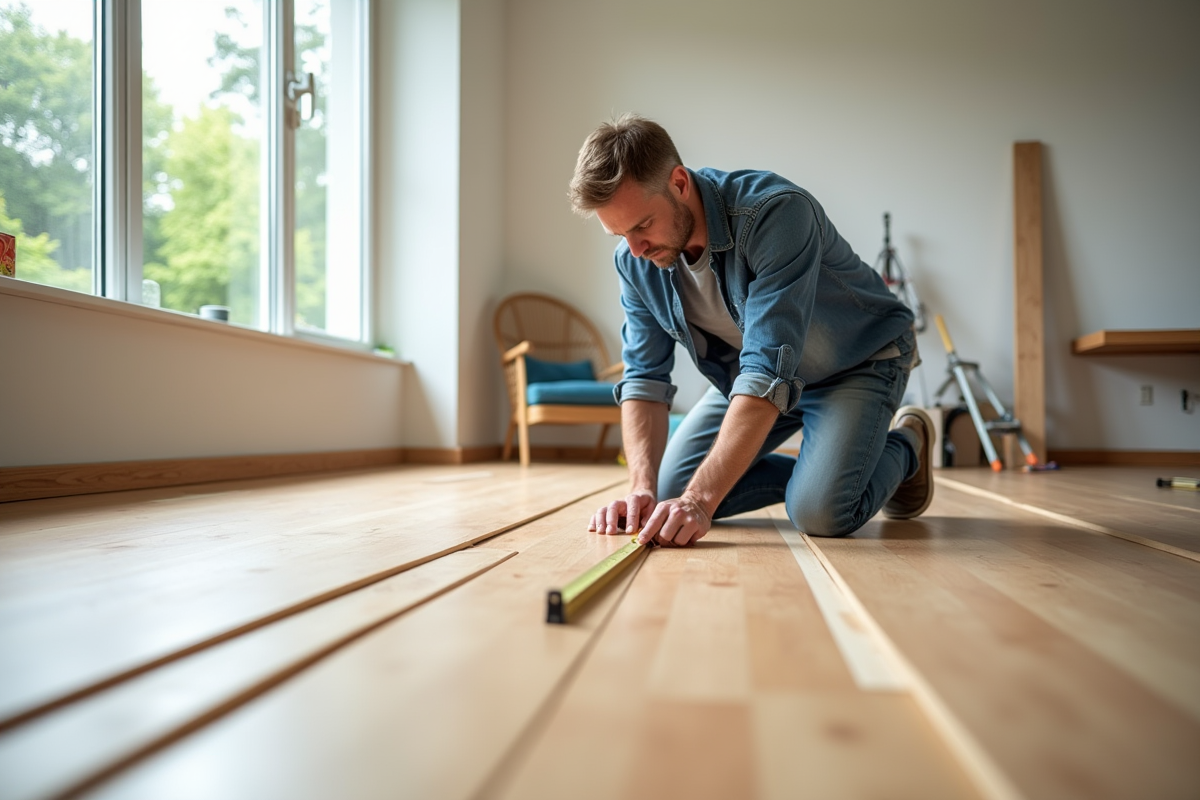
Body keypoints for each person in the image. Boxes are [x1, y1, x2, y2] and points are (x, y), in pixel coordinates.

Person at [570, 114, 935, 547]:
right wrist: (640, 488)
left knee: (820, 512)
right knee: (667, 496)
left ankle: (908, 445)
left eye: (642, 226)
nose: (636, 250)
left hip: (858, 362)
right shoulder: (634, 260)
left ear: (680, 184)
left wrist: (701, 501)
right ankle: (823, 474)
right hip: (759, 380)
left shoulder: (776, 214)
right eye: (619, 234)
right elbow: (644, 380)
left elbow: (768, 371)